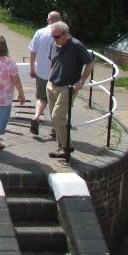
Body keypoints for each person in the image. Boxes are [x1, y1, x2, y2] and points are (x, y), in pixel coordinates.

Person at [46, 21, 95, 160]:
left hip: (68, 87)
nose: (54, 40)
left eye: (57, 37)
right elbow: (52, 61)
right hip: (52, 85)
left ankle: (67, 146)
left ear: (66, 34)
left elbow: (90, 63)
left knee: (58, 116)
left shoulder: (77, 46)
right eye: (52, 36)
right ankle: (61, 146)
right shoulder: (54, 44)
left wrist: (81, 81)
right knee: (54, 118)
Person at [28, 11, 61, 135]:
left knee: (41, 98)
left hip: (41, 72)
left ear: (48, 20)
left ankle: (36, 117)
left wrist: (32, 68)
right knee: (57, 101)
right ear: (60, 20)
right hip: (57, 74)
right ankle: (54, 127)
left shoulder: (39, 33)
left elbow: (32, 52)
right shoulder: (62, 34)